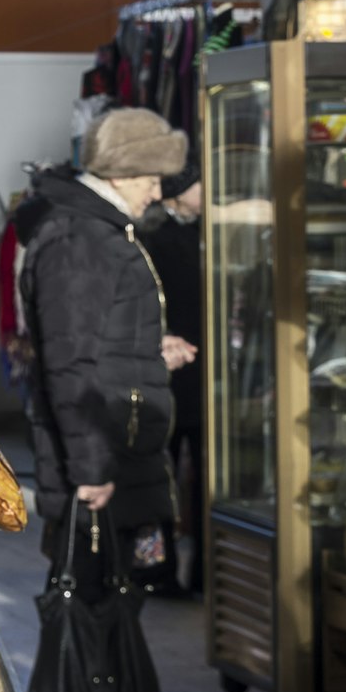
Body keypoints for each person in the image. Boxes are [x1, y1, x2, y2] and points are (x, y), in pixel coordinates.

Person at [19, 106, 192, 692]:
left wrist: (151, 351)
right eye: (152, 175)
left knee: (119, 592)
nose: (159, 189)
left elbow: (99, 345)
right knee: (91, 597)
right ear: (122, 172)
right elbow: (70, 365)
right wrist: (89, 467)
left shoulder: (94, 231)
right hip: (101, 460)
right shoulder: (80, 239)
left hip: (121, 448)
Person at [144, 165, 205, 595]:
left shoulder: (205, 234)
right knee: (160, 476)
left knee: (195, 477)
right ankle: (158, 568)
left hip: (198, 372)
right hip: (166, 369)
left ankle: (198, 568)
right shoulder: (151, 237)